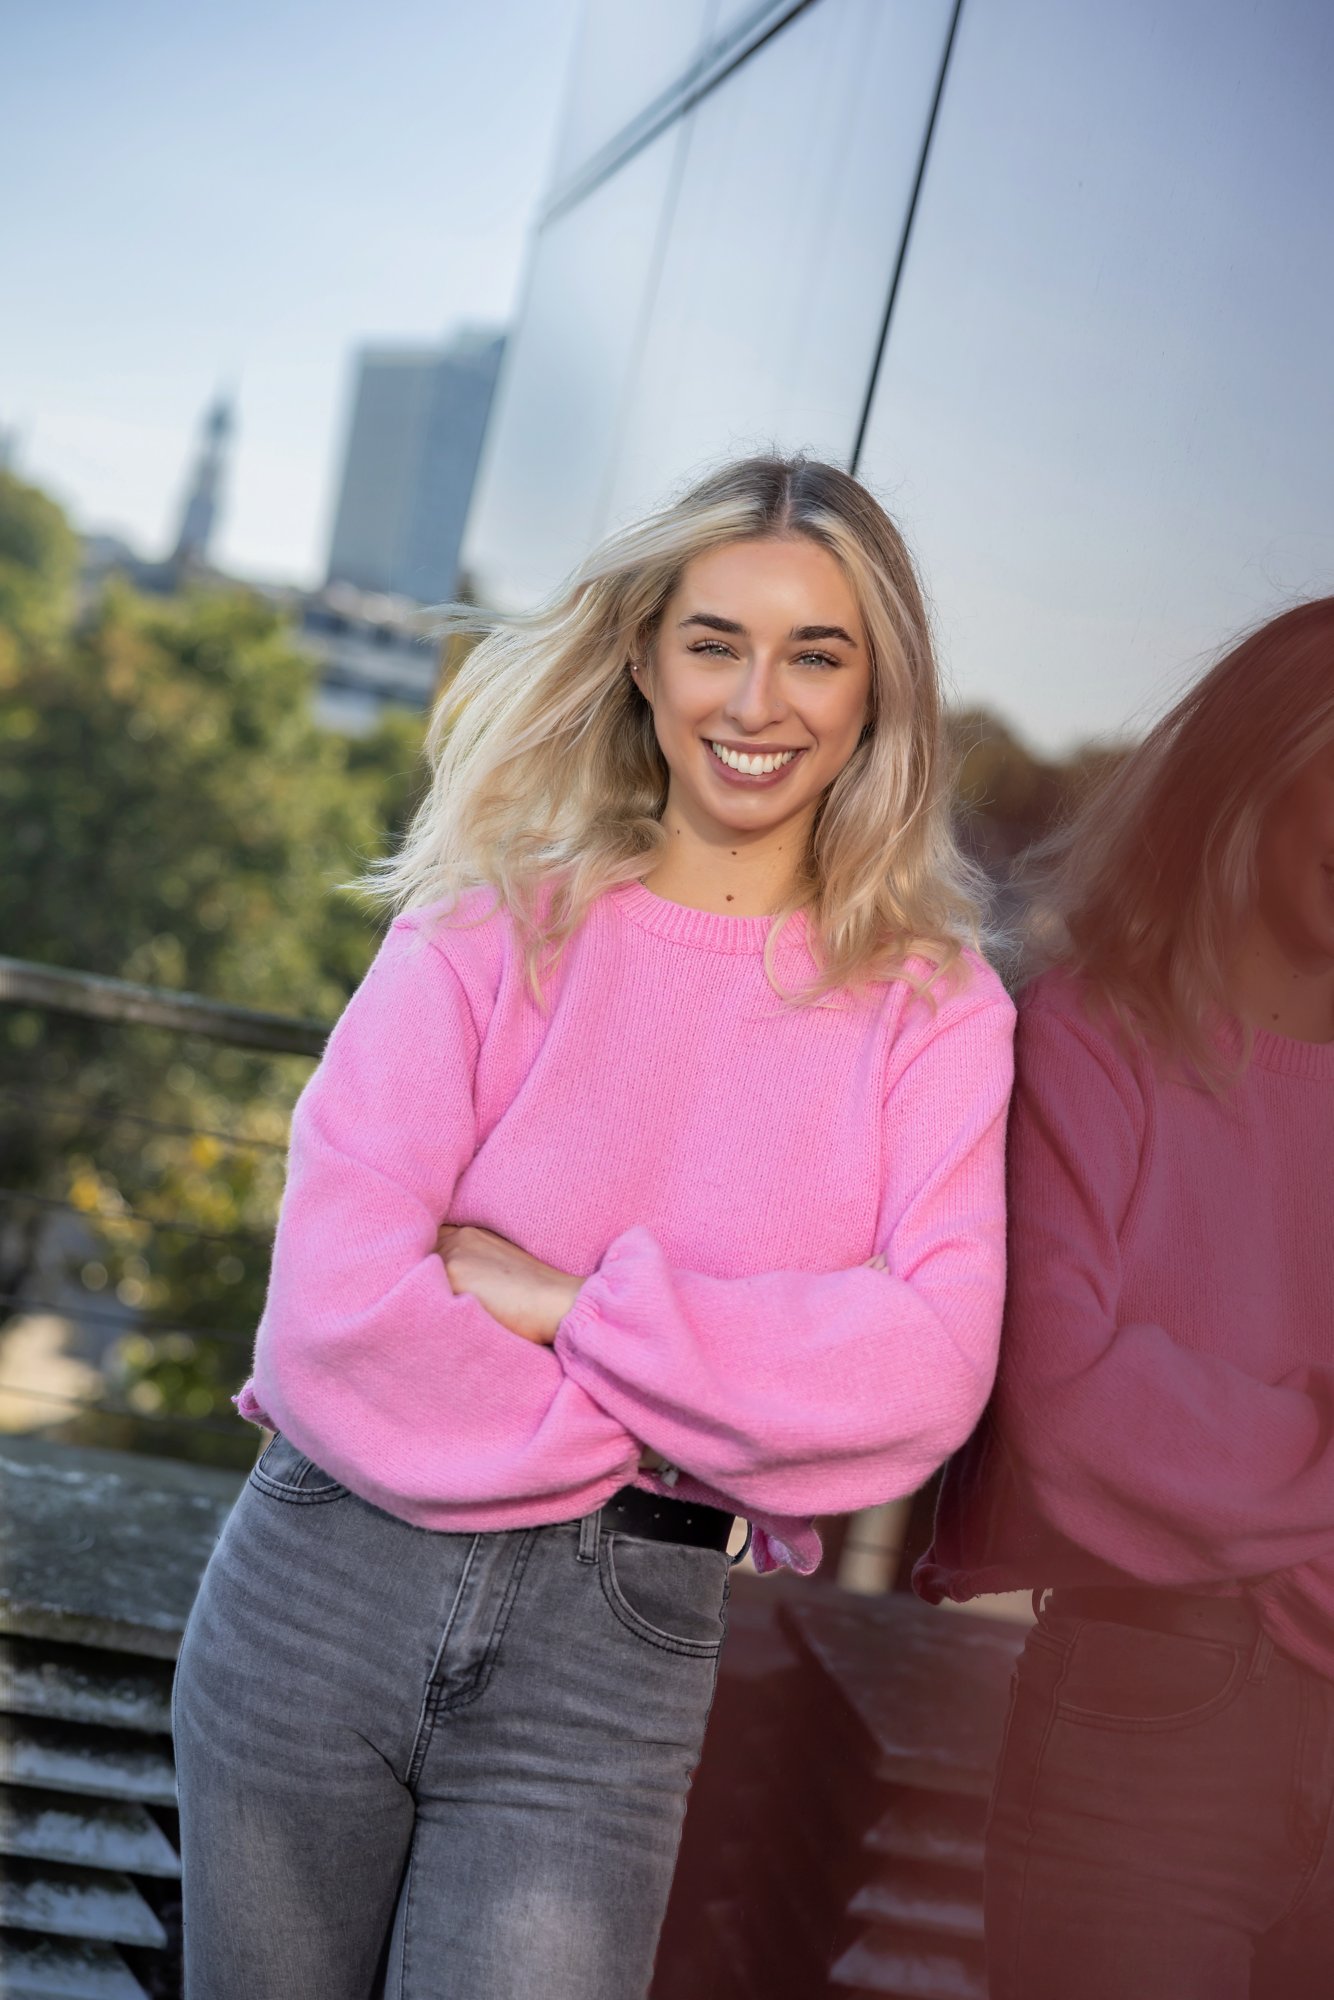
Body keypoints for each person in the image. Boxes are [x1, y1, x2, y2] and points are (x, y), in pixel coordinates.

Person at [172, 454, 1015, 2000]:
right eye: (715, 641)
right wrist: (697, 1416)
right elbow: (337, 1312)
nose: (757, 701)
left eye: (815, 652)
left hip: (612, 1649)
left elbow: (923, 1378)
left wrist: (566, 1306)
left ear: (876, 690)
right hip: (323, 1588)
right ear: (645, 659)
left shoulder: (933, 1011)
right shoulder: (492, 916)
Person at [916, 597, 1334, 1997]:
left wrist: (1240, 1454)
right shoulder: (1091, 1037)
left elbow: (1137, 1408)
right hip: (1158, 1721)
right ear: (1259, 764)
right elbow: (1073, 1412)